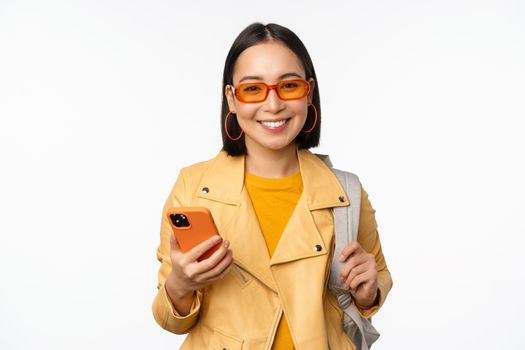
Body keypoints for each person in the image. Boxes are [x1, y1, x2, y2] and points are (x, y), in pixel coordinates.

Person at [152, 22, 393, 350]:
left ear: (308, 92)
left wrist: (368, 292)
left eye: (289, 86)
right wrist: (180, 283)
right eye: (253, 89)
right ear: (232, 99)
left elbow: (375, 283)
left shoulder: (345, 192)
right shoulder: (194, 187)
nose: (273, 104)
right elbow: (170, 320)